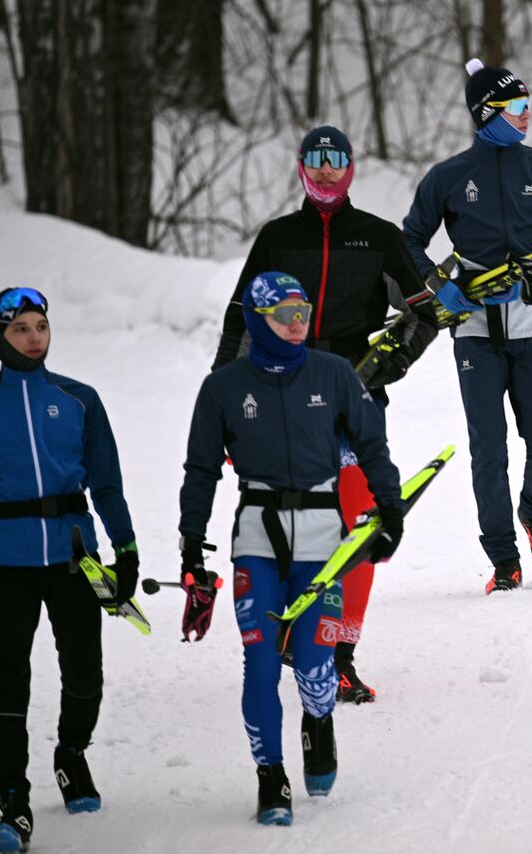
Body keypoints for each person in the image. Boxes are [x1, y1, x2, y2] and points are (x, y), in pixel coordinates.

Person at [212, 125, 437, 702]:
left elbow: (424, 314)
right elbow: (241, 321)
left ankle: (339, 654)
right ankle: (287, 633)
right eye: (316, 160)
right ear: (300, 167)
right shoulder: (279, 237)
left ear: (352, 167)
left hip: (353, 400)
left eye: (337, 160)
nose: (327, 170)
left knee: (358, 527)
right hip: (277, 401)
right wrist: (225, 404)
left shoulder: (378, 238)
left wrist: (390, 366)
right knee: (287, 524)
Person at [0, 287, 138, 853]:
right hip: (4, 561)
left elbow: (106, 482)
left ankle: (71, 754)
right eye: (20, 330)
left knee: (85, 674)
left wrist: (127, 549)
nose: (34, 338)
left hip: (74, 556)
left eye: (41, 326)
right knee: (7, 682)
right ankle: (13, 803)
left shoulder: (79, 398)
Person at [180, 271, 404, 826]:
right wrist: (191, 544)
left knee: (313, 662)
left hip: (324, 538)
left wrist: (390, 509)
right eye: (285, 315)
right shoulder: (224, 388)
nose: (297, 324)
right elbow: (202, 469)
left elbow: (372, 445)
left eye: (303, 312)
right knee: (259, 664)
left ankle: (319, 718)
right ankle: (270, 776)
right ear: (259, 321)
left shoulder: (333, 373)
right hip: (256, 533)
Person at [401, 58, 532, 594]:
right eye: (518, 107)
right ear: (488, 113)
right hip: (475, 329)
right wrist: (439, 285)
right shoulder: (449, 176)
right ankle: (503, 558)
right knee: (489, 447)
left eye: (529, 106)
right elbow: (408, 241)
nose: (528, 116)